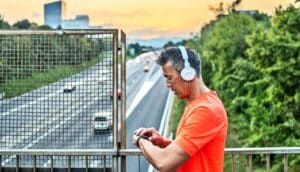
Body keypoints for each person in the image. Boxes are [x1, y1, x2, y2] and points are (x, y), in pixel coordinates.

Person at [132, 46, 228, 172]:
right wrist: (163, 143)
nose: (167, 84)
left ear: (188, 74)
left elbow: (164, 163)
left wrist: (140, 141)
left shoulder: (206, 110)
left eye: (169, 78)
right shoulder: (196, 105)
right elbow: (192, 151)